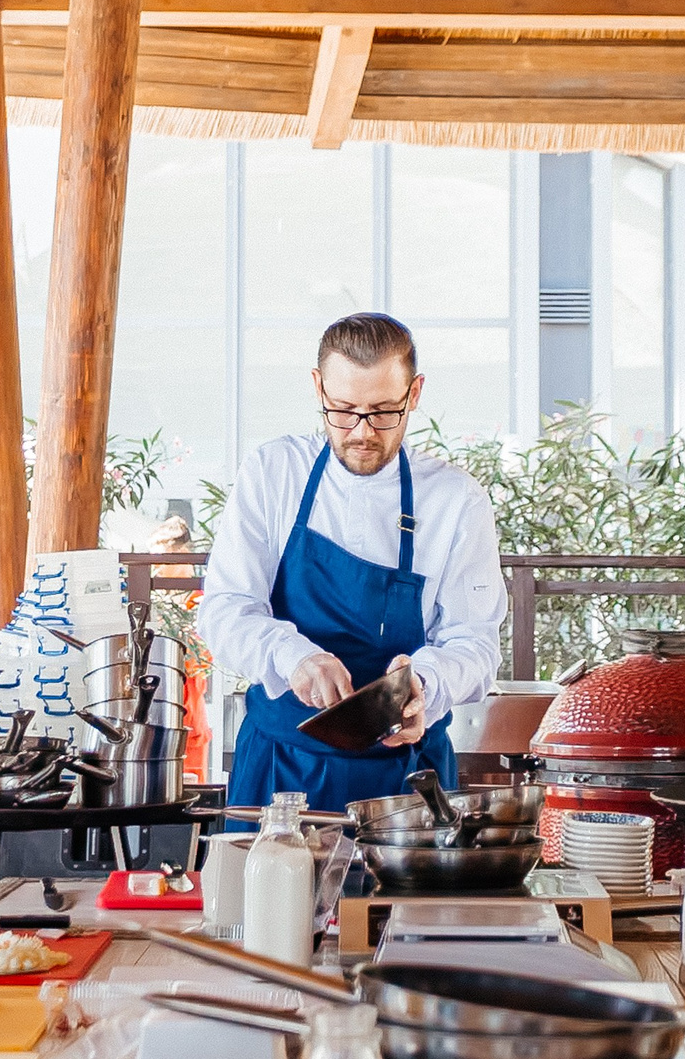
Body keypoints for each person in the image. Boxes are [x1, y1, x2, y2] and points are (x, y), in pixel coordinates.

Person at [200, 313, 505, 815]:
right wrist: (291, 654)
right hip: (281, 768)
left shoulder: (456, 499)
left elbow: (475, 642)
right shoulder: (272, 473)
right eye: (342, 410)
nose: (362, 432)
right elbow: (225, 609)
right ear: (318, 387)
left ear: (416, 392)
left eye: (385, 411)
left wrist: (424, 683)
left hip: (408, 778)